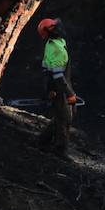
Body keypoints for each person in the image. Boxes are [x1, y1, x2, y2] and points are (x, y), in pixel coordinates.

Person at [37, 17, 75, 154]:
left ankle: (43, 141)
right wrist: (69, 93)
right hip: (58, 87)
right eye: (53, 27)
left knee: (64, 115)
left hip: (62, 84)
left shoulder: (58, 42)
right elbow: (57, 76)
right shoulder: (55, 48)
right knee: (64, 118)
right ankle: (60, 149)